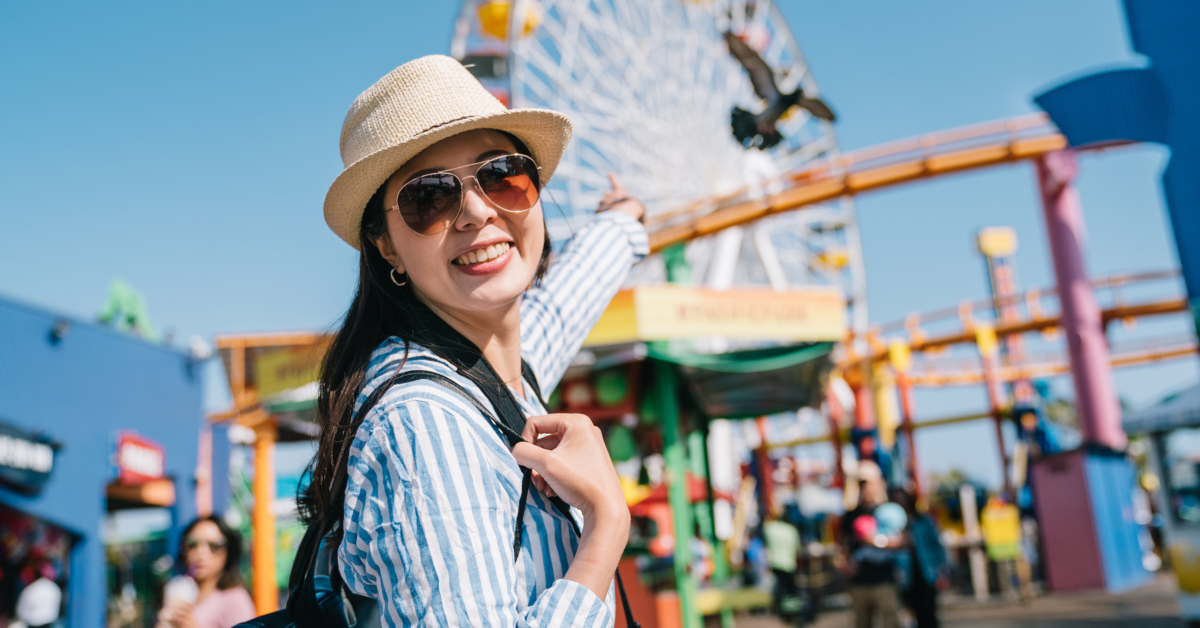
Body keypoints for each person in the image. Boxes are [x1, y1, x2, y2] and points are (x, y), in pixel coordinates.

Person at [304, 55, 647, 627]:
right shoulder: (425, 424)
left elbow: (560, 309)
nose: (477, 211)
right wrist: (606, 528)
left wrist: (623, 222)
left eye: (502, 175)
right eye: (429, 198)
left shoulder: (489, 368)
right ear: (384, 244)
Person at [157, 515, 256, 628]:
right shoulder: (177, 590)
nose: (201, 553)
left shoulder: (235, 599)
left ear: (228, 552)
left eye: (214, 546)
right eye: (192, 544)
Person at [839, 465, 900, 628]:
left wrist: (875, 540)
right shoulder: (850, 514)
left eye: (869, 483)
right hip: (859, 580)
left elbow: (903, 541)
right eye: (862, 483)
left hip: (884, 577)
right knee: (862, 622)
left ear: (879, 483)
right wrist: (845, 564)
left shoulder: (887, 510)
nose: (866, 487)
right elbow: (843, 544)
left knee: (891, 621)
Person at [892, 489, 948, 628]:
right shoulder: (892, 525)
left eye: (902, 499)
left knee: (928, 614)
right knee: (911, 614)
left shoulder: (923, 521)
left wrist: (942, 570)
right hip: (904, 576)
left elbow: (936, 546)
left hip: (926, 573)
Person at [762, 509, 803, 625]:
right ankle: (792, 613)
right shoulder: (791, 530)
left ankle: (784, 613)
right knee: (790, 589)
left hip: (775, 563)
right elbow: (797, 548)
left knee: (781, 589)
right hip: (789, 563)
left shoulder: (769, 528)